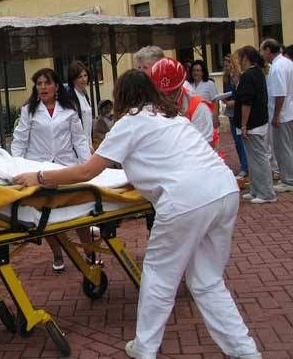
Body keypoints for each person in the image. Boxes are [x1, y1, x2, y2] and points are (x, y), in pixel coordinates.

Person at [13, 69, 262, 359]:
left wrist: (40, 177)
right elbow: (167, 158)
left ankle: (145, 349)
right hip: (223, 190)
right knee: (207, 281)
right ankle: (245, 352)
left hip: (186, 199)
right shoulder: (171, 116)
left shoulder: (129, 123)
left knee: (158, 277)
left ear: (121, 95)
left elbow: (87, 171)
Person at [12, 68, 90, 271]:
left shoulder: (70, 108)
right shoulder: (28, 109)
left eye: (47, 83)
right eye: (39, 83)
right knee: (46, 213)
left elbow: (79, 139)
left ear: (56, 86)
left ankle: (89, 250)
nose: (43, 87)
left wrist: (88, 166)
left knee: (79, 210)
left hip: (66, 166)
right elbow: (20, 140)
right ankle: (57, 253)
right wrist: (15, 167)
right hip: (39, 169)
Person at [234, 46, 276, 204]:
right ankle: (257, 189)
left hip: (252, 124)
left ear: (246, 58)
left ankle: (266, 193)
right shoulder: (257, 72)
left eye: (240, 58)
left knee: (259, 158)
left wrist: (244, 125)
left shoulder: (249, 75)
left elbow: (247, 102)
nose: (239, 61)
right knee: (254, 159)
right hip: (258, 122)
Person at [149, 57, 215, 146]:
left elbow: (205, 145)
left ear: (181, 85)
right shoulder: (151, 104)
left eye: (171, 92)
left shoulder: (199, 108)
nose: (166, 97)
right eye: (161, 93)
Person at [259, 39, 293, 193]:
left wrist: (276, 116)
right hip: (289, 111)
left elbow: (280, 94)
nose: (261, 54)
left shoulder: (278, 67)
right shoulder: (287, 63)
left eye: (262, 50)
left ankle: (288, 180)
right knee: (288, 147)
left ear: (268, 50)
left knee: (282, 148)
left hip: (283, 114)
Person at [223, 54, 248, 179]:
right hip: (230, 113)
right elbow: (226, 95)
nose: (226, 67)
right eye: (225, 65)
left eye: (228, 65)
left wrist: (233, 102)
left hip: (239, 112)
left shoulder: (240, 77)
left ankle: (245, 166)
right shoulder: (225, 78)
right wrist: (224, 101)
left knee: (242, 140)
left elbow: (243, 96)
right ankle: (243, 165)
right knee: (236, 142)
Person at [65, 60, 94, 151]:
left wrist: (90, 145)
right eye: (80, 77)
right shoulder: (70, 96)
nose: (84, 79)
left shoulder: (84, 94)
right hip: (76, 149)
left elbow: (88, 124)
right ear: (73, 78)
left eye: (85, 76)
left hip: (87, 145)